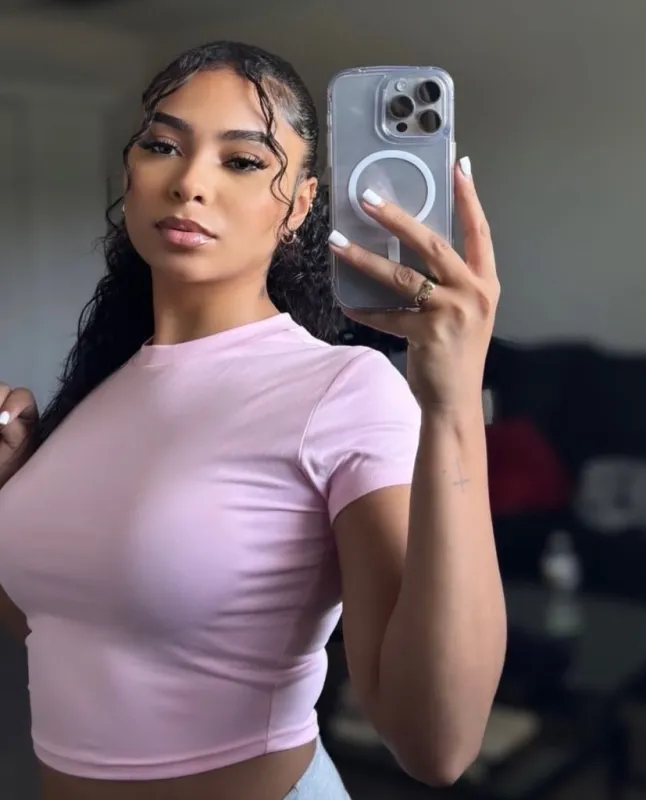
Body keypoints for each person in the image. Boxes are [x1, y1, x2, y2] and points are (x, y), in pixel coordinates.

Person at [0, 41, 506, 800]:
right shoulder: (99, 390)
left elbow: (437, 745)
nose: (190, 182)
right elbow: (67, 634)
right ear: (131, 173)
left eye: (241, 161)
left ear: (298, 205)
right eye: (162, 146)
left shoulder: (343, 390)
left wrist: (454, 402)